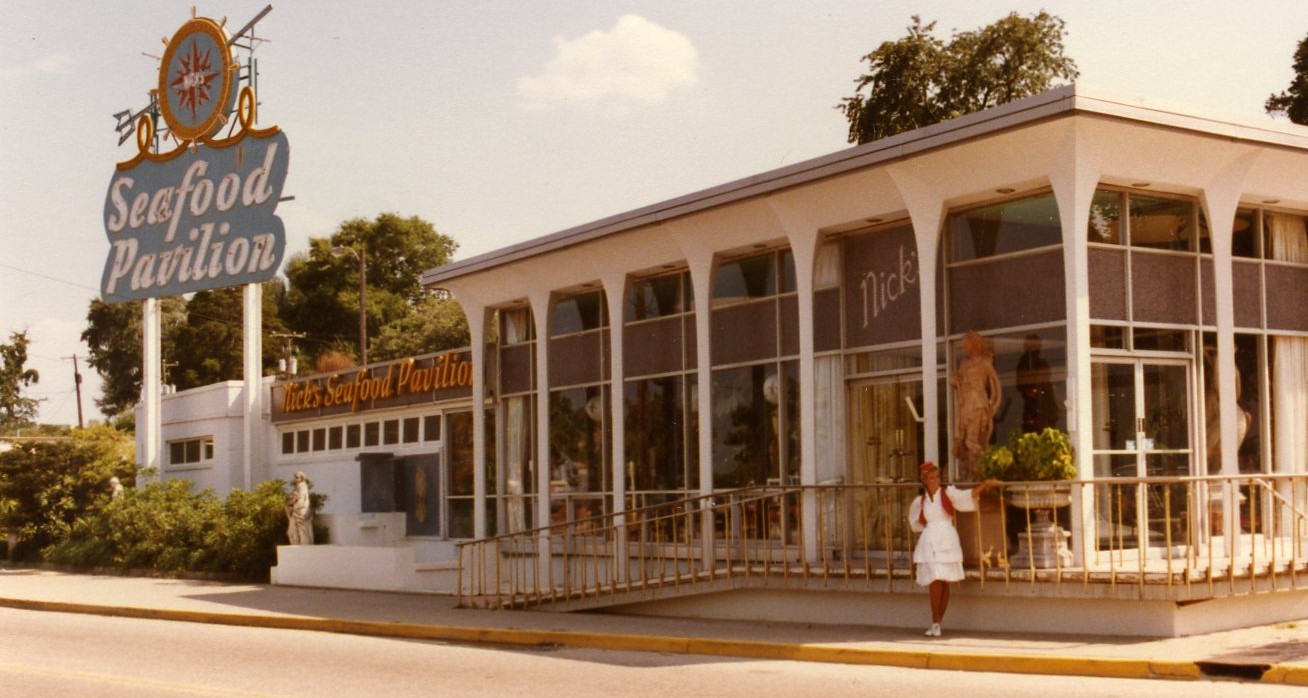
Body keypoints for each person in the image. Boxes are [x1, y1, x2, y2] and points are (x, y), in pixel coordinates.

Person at [908, 461, 1000, 637]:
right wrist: (928, 530)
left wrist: (984, 485)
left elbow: (966, 496)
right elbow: (915, 523)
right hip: (930, 540)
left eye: (937, 477)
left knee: (944, 581)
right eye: (931, 478)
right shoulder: (920, 501)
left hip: (947, 538)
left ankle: (937, 624)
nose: (935, 481)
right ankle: (935, 620)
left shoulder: (947, 493)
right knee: (934, 579)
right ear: (924, 481)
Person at [951, 331, 1001, 482]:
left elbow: (996, 386)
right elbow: (958, 380)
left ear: (974, 344)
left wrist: (993, 406)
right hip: (965, 403)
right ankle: (970, 472)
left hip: (978, 403)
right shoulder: (964, 363)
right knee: (964, 439)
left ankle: (979, 472)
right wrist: (954, 382)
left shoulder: (985, 362)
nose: (965, 347)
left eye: (967, 343)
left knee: (971, 441)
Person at [286, 471, 314, 545]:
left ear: (302, 478)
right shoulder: (297, 487)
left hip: (301, 510)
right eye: (295, 477)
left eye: (297, 477)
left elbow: (298, 497)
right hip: (296, 510)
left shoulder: (302, 486)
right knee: (292, 531)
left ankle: (301, 545)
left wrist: (291, 500)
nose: (296, 479)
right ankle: (297, 544)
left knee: (302, 532)